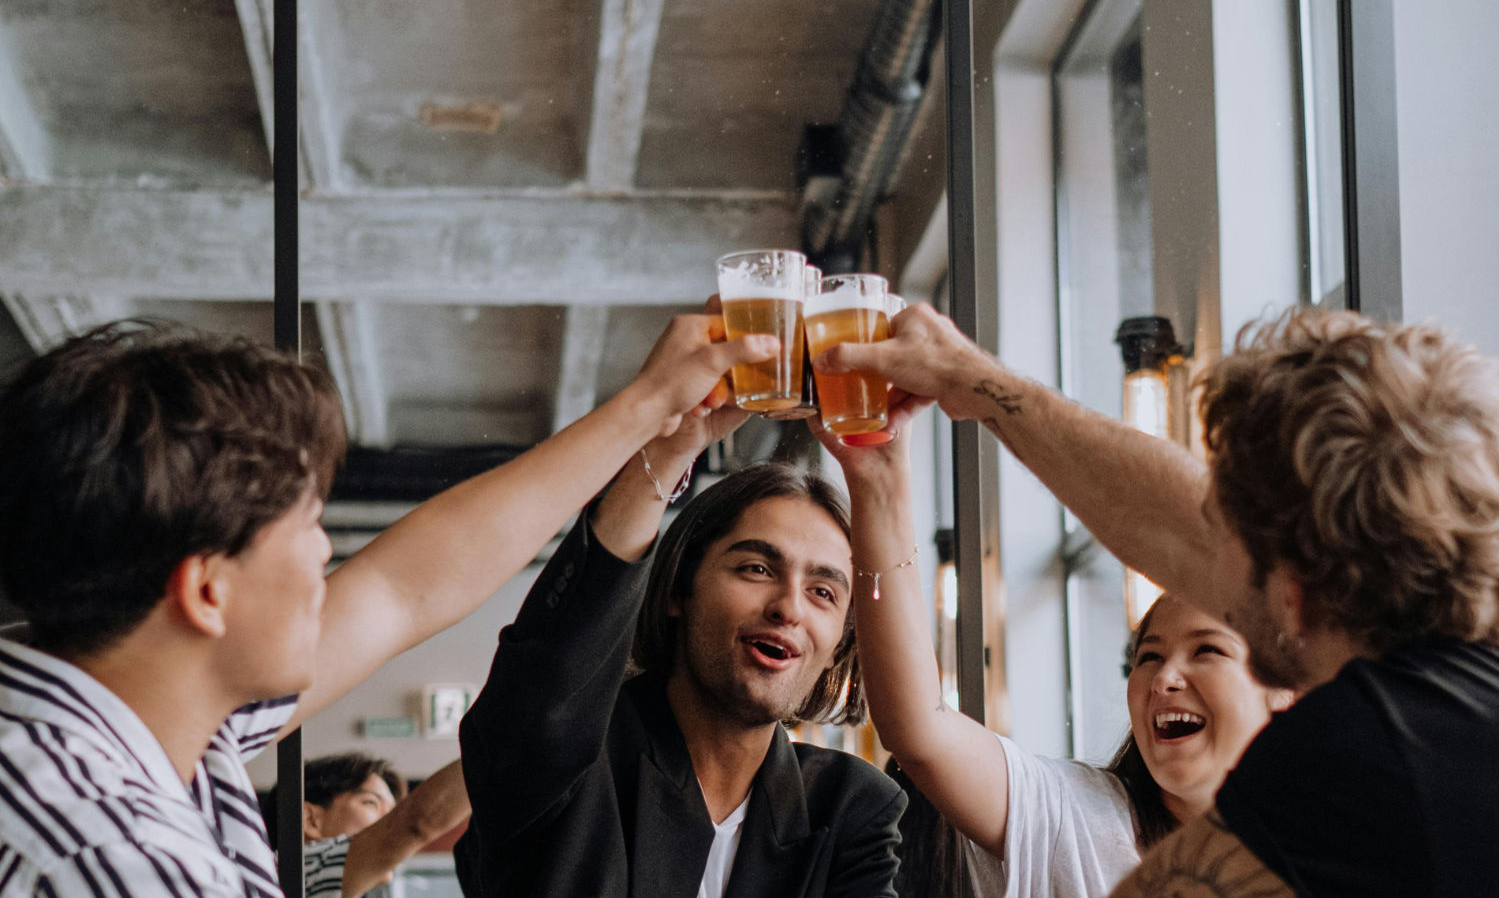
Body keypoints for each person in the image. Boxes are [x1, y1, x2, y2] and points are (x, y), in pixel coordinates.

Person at [816, 304, 1499, 895]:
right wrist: (971, 384)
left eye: (1234, 537)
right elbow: (1175, 521)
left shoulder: (1371, 746)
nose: (1208, 564)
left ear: (1293, 591)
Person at [0, 315, 773, 897]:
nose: (325, 556)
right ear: (207, 592)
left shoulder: (138, 720)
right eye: (306, 527)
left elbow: (404, 587)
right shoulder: (116, 861)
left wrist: (654, 419)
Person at [809, 402, 1292, 897]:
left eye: (1207, 650)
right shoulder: (1076, 818)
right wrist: (879, 481)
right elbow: (919, 728)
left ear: (1284, 689)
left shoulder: (1339, 849)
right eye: (1148, 656)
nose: (1165, 677)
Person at [452, 409, 907, 897]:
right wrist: (666, 454)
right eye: (756, 569)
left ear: (839, 642)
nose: (789, 607)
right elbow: (545, 694)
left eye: (823, 592)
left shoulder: (850, 806)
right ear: (677, 590)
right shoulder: (580, 765)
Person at [295, 753, 468, 898]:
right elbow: (418, 823)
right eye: (372, 803)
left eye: (393, 813)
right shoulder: (301, 868)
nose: (389, 821)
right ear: (311, 819)